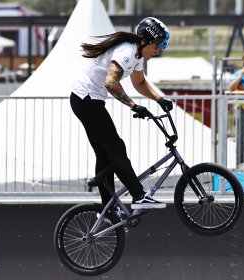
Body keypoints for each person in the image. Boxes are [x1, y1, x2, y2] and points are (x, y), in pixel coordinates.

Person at [70, 17, 173, 209]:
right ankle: (138, 195)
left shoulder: (137, 55)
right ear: (145, 40)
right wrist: (134, 106)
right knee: (116, 148)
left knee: (105, 154)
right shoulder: (127, 52)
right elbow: (111, 82)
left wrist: (160, 99)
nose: (158, 51)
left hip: (86, 100)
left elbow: (140, 83)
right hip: (87, 100)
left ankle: (108, 207)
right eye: (157, 46)